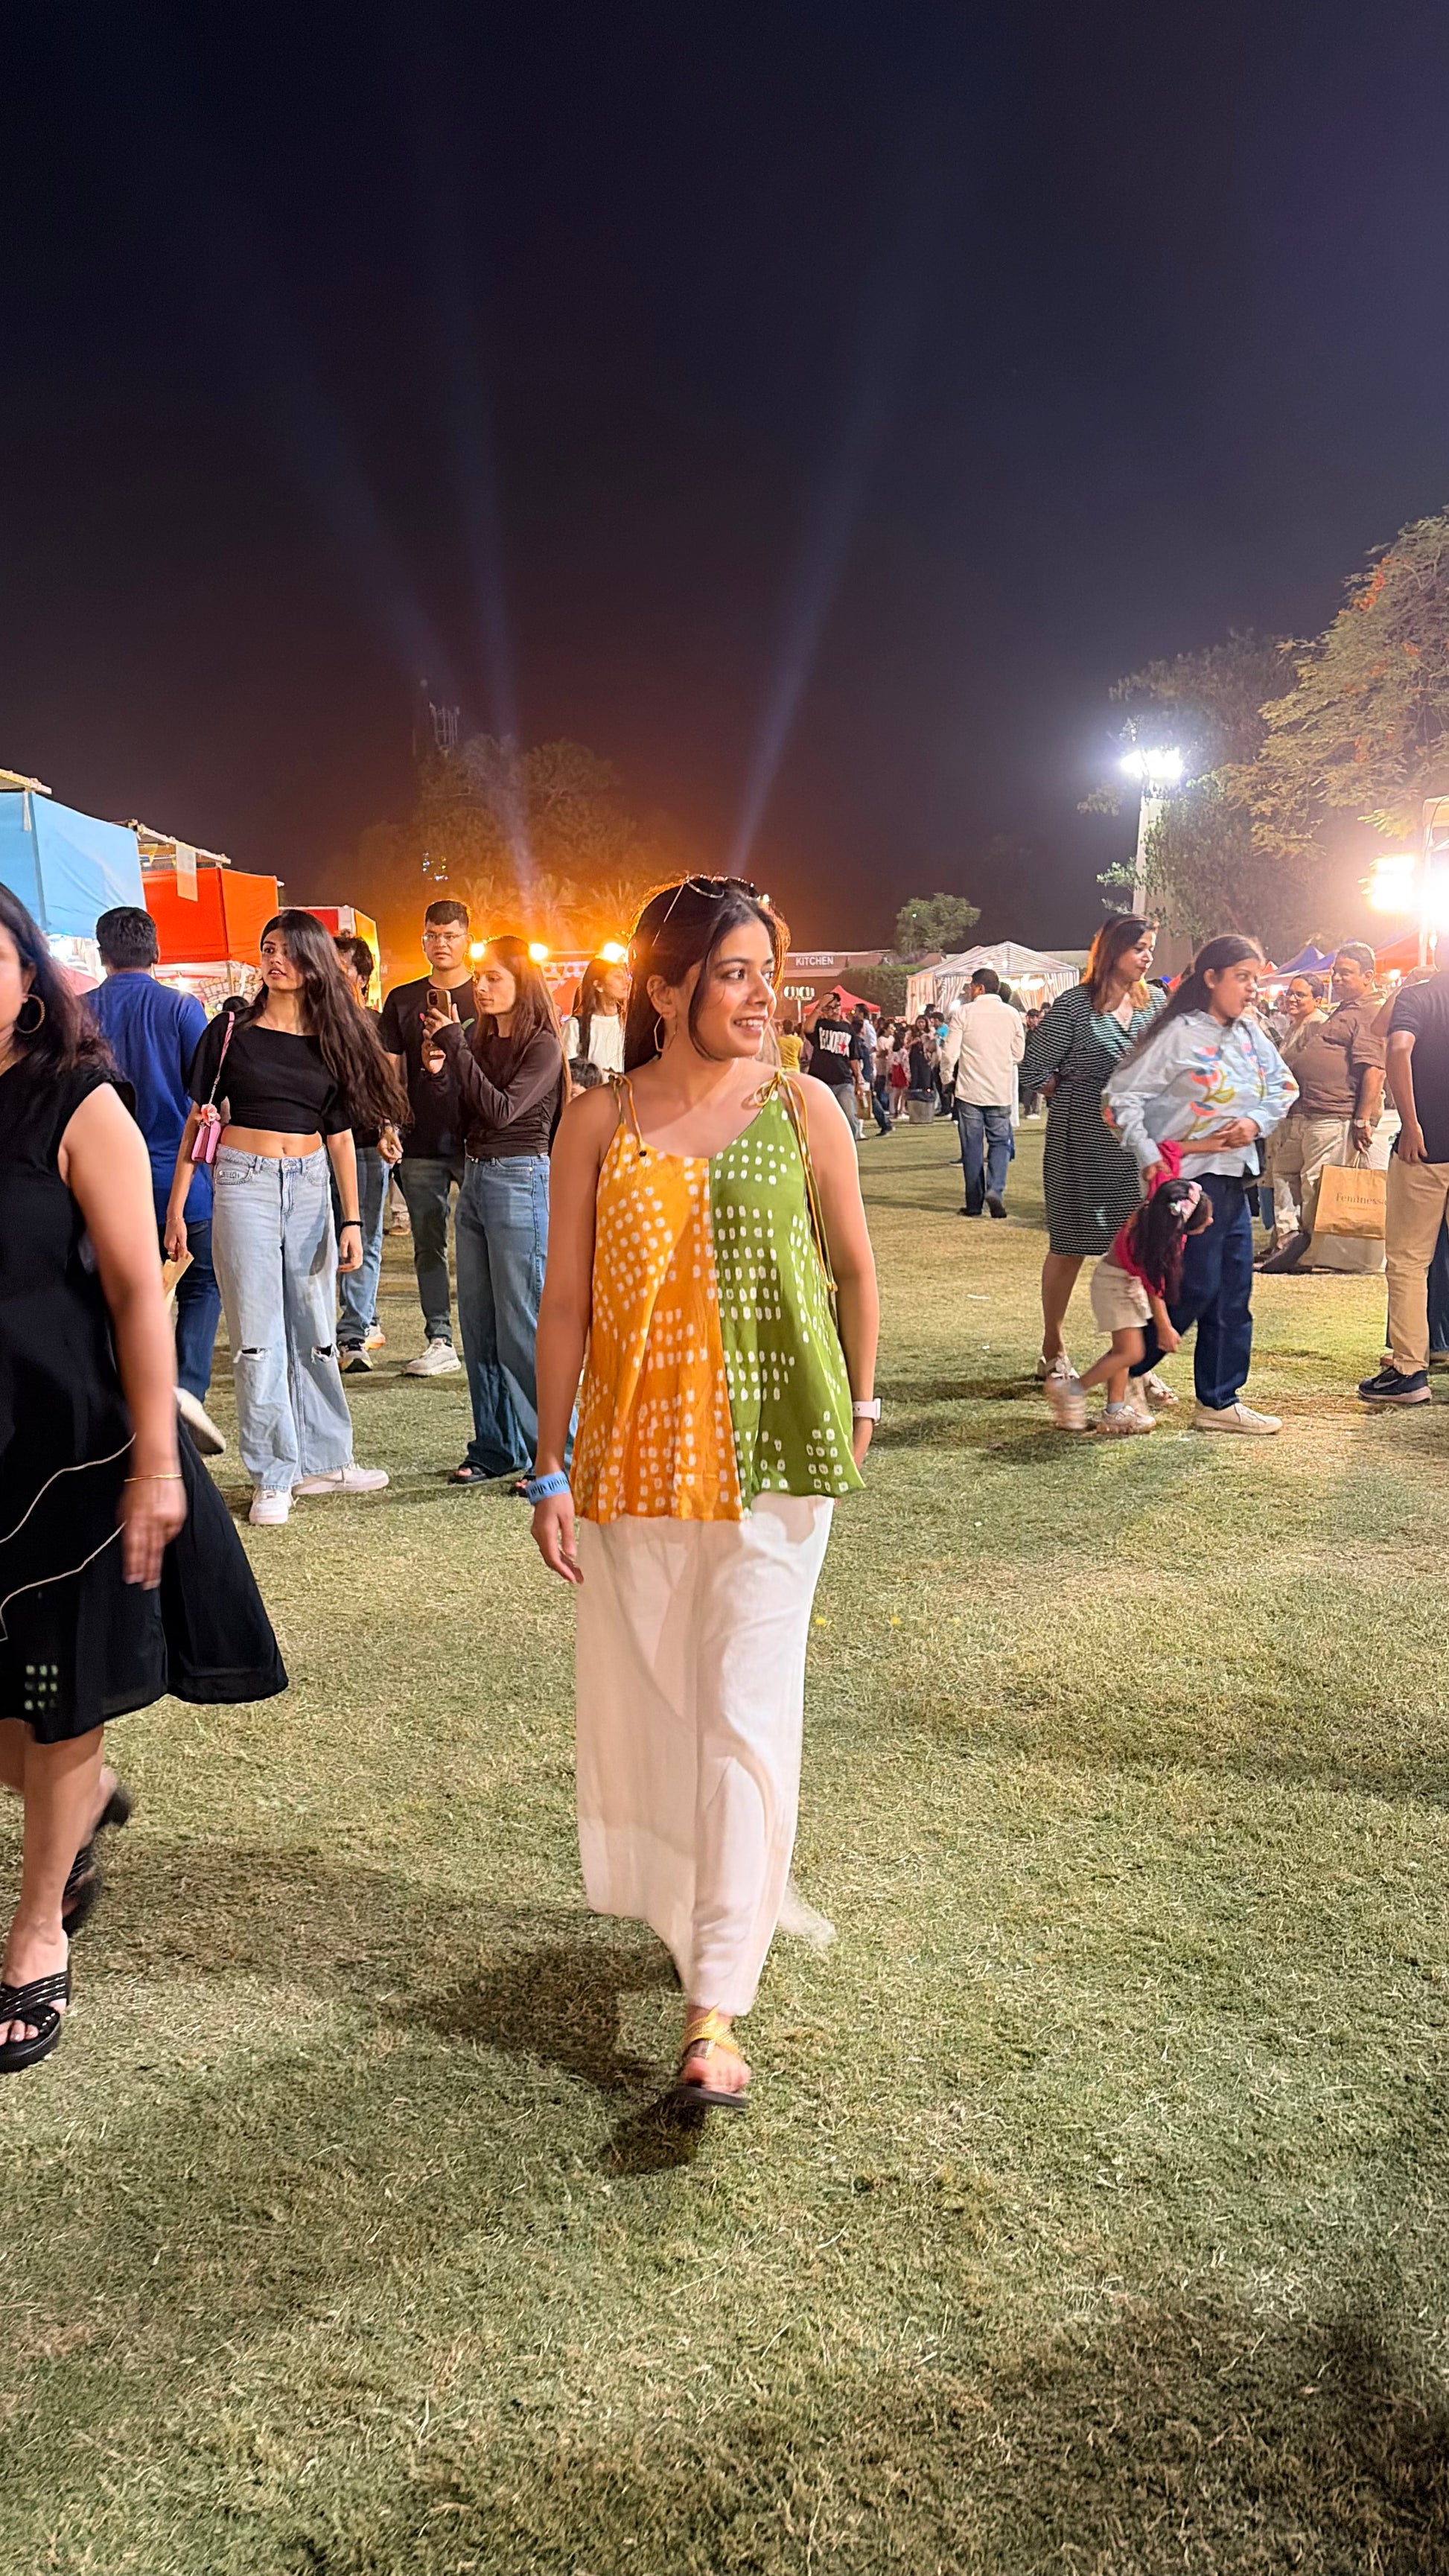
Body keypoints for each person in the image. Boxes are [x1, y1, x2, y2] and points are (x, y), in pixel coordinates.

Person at [528, 876, 877, 2114]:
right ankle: (703, 1903)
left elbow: (851, 1266)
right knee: (667, 1699)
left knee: (740, 1707)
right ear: (666, 990)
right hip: (635, 1460)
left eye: (765, 973)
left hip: (777, 1454)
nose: (759, 996)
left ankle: (713, 2009)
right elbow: (563, 1302)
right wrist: (548, 1463)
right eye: (734, 973)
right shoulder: (598, 1120)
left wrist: (865, 1402)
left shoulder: (803, 1105)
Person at [0, 889, 284, 2069]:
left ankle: (34, 1935)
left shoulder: (78, 1099)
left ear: (29, 975)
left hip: (68, 1443)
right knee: (11, 1723)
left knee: (57, 1695)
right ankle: (81, 1797)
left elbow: (134, 1290)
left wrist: (158, 1462)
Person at [165, 911, 405, 1524]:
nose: (276, 961)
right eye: (268, 949)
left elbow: (340, 1134)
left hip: (310, 1183)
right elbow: (197, 1120)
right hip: (242, 1182)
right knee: (257, 1331)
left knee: (314, 1323)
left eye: (289, 951)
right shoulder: (230, 1031)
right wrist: (177, 1207)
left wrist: (353, 1221)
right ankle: (273, 1474)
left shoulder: (333, 1038)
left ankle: (325, 1460)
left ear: (314, 964)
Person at [1104, 934, 1296, 1434]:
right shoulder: (1178, 1035)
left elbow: (1284, 1086)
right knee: (1192, 1287)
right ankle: (1123, 1374)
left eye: (1255, 979)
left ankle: (1219, 1400)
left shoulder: (1251, 1033)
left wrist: (1254, 1122)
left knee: (1233, 1291)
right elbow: (1120, 1099)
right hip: (1185, 1185)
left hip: (1234, 1179)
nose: (1252, 989)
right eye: (1242, 977)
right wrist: (1151, 1159)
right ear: (1211, 978)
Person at [419, 934, 567, 1485]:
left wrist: (456, 1047)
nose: (479, 987)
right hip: (478, 1176)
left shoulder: (543, 1046)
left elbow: (502, 1111)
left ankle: (554, 1456)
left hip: (520, 1178)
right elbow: (459, 1116)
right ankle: (496, 1447)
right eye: (478, 977)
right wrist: (438, 1071)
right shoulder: (478, 1041)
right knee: (479, 1327)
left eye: (493, 978)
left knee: (521, 1326)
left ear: (522, 983)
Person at [86, 905, 226, 1454]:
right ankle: (186, 1391)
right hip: (179, 1179)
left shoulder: (79, 1013)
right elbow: (206, 1097)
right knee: (201, 1285)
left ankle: (124, 1403)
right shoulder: (182, 1009)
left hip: (101, 1183)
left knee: (116, 1296)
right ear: (157, 952)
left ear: (102, 955)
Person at [1020, 917, 1163, 1383]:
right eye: (1139, 948)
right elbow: (1031, 1070)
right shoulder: (1074, 1005)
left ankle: (1136, 1360)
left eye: (1151, 947)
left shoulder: (1154, 1003)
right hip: (1079, 1140)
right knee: (1069, 1246)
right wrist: (1070, 1089)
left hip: (1136, 1143)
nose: (1147, 957)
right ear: (1112, 950)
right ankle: (1053, 1348)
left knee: (1137, 1252)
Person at [379, 900, 478, 1377]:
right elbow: (392, 1073)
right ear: (423, 940)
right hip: (420, 1142)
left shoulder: (487, 992)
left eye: (450, 935)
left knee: (484, 1245)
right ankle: (440, 1338)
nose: (441, 944)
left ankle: (483, 1335)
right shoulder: (402, 1000)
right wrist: (388, 1123)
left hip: (479, 1139)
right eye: (432, 935)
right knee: (427, 1244)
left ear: (467, 940)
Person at [1047, 1172, 1214, 1435]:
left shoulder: (1155, 1218)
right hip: (1115, 1286)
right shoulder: (1155, 1240)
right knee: (1131, 1353)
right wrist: (1164, 1327)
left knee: (1123, 1352)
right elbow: (1154, 1286)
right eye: (1205, 1218)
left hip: (1125, 1283)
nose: (1211, 1220)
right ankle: (1073, 1391)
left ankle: (1115, 1411)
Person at [1258, 946, 1385, 1273]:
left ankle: (1309, 1253)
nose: (1337, 978)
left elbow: (1374, 1069)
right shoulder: (1346, 1009)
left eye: (1346, 973)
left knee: (1316, 1184)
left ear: (1368, 976)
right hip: (1305, 1112)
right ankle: (1290, 1239)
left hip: (1333, 1113)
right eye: (1335, 972)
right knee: (1283, 1172)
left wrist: (1362, 1119)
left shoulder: (1370, 1012)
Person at [1357, 958, 1449, 1406]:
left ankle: (1410, 1370)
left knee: (1410, 1262)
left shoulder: (1419, 996)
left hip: (1425, 1149)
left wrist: (1411, 1124)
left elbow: (1396, 1046)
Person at [333, 934, 404, 1371]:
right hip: (314, 1146)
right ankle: (323, 1332)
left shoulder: (377, 1027)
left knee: (366, 1237)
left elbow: (389, 1087)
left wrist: (389, 1128)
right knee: (320, 1240)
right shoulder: (310, 1024)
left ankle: (353, 1332)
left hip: (364, 1145)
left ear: (362, 977)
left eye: (341, 970)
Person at [939, 966, 1025, 1217]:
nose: (968, 991)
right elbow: (1018, 1053)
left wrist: (947, 1078)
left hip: (969, 1090)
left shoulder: (964, 1013)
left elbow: (950, 1053)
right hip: (999, 1089)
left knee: (972, 1148)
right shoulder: (1012, 1014)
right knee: (1000, 1143)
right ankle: (995, 1189)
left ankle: (974, 1204)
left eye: (970, 987)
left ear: (979, 988)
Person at [562, 954, 629, 1080]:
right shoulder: (576, 1027)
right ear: (598, 985)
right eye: (618, 977)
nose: (625, 981)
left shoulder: (627, 1024)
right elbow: (568, 1075)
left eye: (625, 976)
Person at [803, 989, 859, 1133]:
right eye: (828, 1008)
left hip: (843, 1081)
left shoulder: (848, 1029)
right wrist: (819, 1007)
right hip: (820, 1080)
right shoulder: (820, 1025)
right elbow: (807, 1029)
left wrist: (859, 1079)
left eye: (836, 1007)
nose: (833, 1011)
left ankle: (850, 1146)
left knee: (849, 1118)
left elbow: (854, 1057)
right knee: (819, 1120)